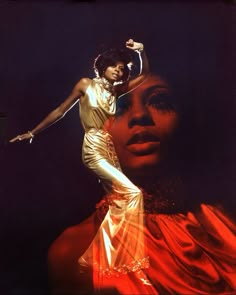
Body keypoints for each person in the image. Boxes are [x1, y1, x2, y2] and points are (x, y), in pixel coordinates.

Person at [48, 73, 236, 295]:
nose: (139, 115)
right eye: (116, 107)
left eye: (159, 102)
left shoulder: (227, 223)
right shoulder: (75, 251)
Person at [10, 39, 156, 292]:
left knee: (117, 201)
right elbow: (60, 110)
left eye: (122, 68)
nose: (118, 71)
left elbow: (146, 75)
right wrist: (33, 131)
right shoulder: (85, 84)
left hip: (110, 149)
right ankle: (116, 262)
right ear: (103, 66)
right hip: (93, 147)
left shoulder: (116, 92)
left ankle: (107, 268)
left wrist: (142, 52)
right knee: (133, 194)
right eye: (114, 66)